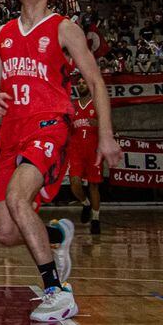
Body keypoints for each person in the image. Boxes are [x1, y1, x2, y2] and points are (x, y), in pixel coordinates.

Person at [0, 0, 122, 322]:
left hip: (49, 125)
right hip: (11, 133)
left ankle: (56, 291)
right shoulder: (0, 34)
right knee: (3, 230)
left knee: (18, 199)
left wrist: (105, 136)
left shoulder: (64, 28)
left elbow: (95, 82)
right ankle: (57, 235)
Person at [66, 79, 104, 235]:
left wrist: (98, 123)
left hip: (93, 150)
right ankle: (85, 203)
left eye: (84, 83)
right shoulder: (72, 105)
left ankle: (95, 219)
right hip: (75, 150)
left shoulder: (96, 104)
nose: (81, 85)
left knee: (94, 185)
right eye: (79, 83)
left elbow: (108, 126)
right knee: (74, 182)